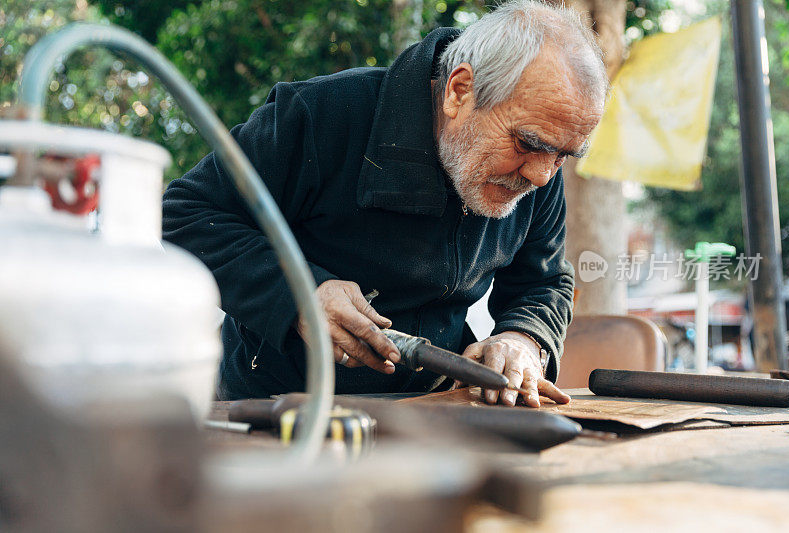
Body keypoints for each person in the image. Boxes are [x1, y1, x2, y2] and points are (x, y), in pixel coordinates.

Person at [162, 0, 607, 406]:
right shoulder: (322, 115)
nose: (542, 175)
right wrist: (299, 294)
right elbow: (184, 214)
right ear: (459, 91)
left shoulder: (541, 160)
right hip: (278, 405)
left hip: (434, 409)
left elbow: (542, 281)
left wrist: (523, 338)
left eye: (564, 155)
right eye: (527, 144)